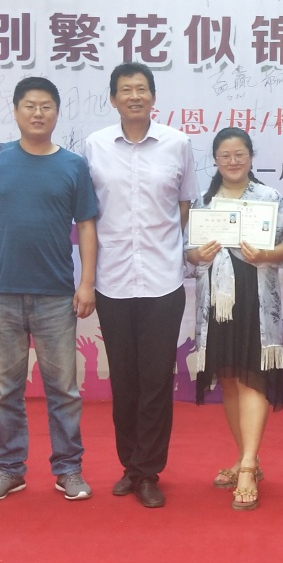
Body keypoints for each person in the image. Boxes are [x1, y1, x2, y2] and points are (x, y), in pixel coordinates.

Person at [0, 77, 99, 503]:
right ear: (15, 111)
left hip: (56, 294)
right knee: (5, 390)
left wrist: (86, 282)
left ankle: (69, 469)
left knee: (63, 389)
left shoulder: (73, 165)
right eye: (29, 105)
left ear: (57, 113)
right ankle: (9, 470)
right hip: (2, 291)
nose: (38, 113)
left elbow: (86, 226)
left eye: (46, 106)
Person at [84, 62, 198, 509]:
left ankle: (149, 471)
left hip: (163, 280)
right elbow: (87, 213)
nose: (134, 96)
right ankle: (129, 466)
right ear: (113, 99)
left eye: (142, 89)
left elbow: (184, 204)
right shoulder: (94, 145)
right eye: (125, 90)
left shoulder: (178, 144)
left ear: (153, 96)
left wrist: (168, 245)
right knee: (124, 380)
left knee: (155, 380)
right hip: (112, 279)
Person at [187, 128, 283, 511]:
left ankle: (247, 466)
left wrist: (266, 255)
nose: (233, 161)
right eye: (225, 156)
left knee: (253, 378)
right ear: (215, 160)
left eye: (240, 154)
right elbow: (188, 251)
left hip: (255, 297)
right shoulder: (202, 201)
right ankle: (247, 457)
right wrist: (197, 255)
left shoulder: (269, 198)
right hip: (217, 303)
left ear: (251, 156)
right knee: (229, 380)